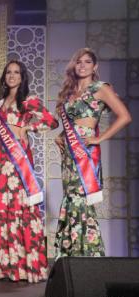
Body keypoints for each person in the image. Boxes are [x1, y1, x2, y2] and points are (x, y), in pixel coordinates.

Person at [0, 60, 58, 283]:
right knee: (2, 210)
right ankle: (6, 265)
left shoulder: (28, 101)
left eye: (16, 72)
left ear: (22, 76)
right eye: (9, 72)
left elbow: (52, 122)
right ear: (4, 76)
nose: (12, 76)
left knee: (21, 209)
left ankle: (26, 267)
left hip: (19, 165)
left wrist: (28, 127)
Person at [54, 48, 131, 257]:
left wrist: (100, 137)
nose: (82, 65)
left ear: (94, 66)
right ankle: (71, 255)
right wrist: (61, 135)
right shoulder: (69, 93)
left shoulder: (100, 88)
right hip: (70, 155)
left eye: (87, 62)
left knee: (82, 201)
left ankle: (89, 256)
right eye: (78, 61)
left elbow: (124, 116)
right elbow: (70, 123)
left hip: (85, 154)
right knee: (71, 200)